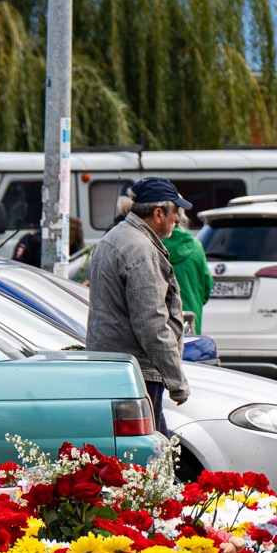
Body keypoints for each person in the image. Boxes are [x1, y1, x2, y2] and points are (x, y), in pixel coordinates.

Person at [85, 176, 191, 416]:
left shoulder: (113, 237)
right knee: (153, 450)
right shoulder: (141, 250)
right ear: (158, 214)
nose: (177, 218)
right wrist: (177, 382)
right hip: (137, 373)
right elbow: (151, 324)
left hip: (115, 369)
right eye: (174, 212)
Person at [160, 210, 214, 334]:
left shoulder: (154, 247)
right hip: (191, 319)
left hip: (163, 322)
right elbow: (207, 286)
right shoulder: (196, 246)